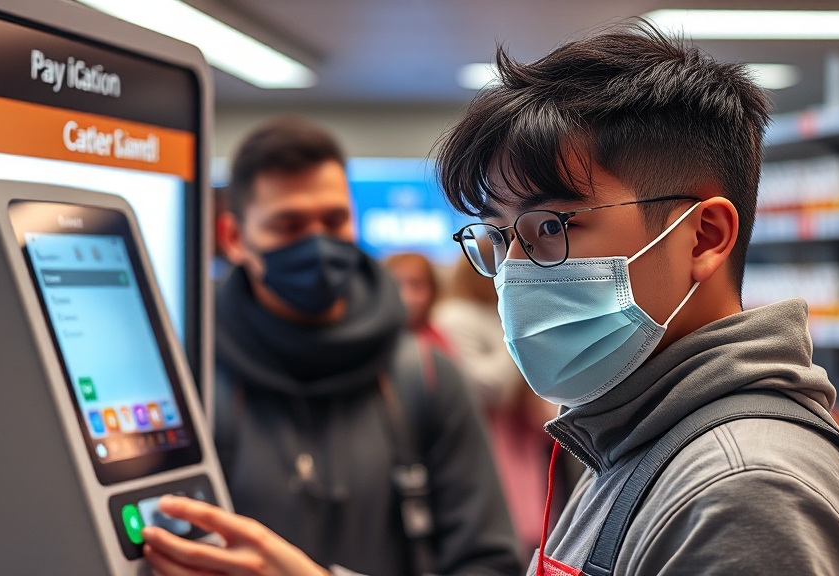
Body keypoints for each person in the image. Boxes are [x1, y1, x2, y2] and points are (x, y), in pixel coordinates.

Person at [435, 23, 839, 576]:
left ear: (702, 237)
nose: (512, 272)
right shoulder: (635, 434)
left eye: (550, 227)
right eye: (500, 236)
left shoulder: (741, 491)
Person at [142, 118, 520, 576]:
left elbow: (488, 564)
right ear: (234, 238)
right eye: (289, 224)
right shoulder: (186, 377)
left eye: (334, 219)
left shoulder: (427, 376)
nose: (317, 243)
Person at [434, 258, 581, 561]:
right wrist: (517, 335)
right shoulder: (455, 317)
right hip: (490, 440)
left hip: (525, 442)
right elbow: (490, 388)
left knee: (535, 533)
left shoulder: (494, 314)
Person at [382, 252, 451, 355]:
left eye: (417, 285)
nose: (406, 296)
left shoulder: (437, 341)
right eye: (396, 285)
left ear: (433, 291)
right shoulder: (371, 339)